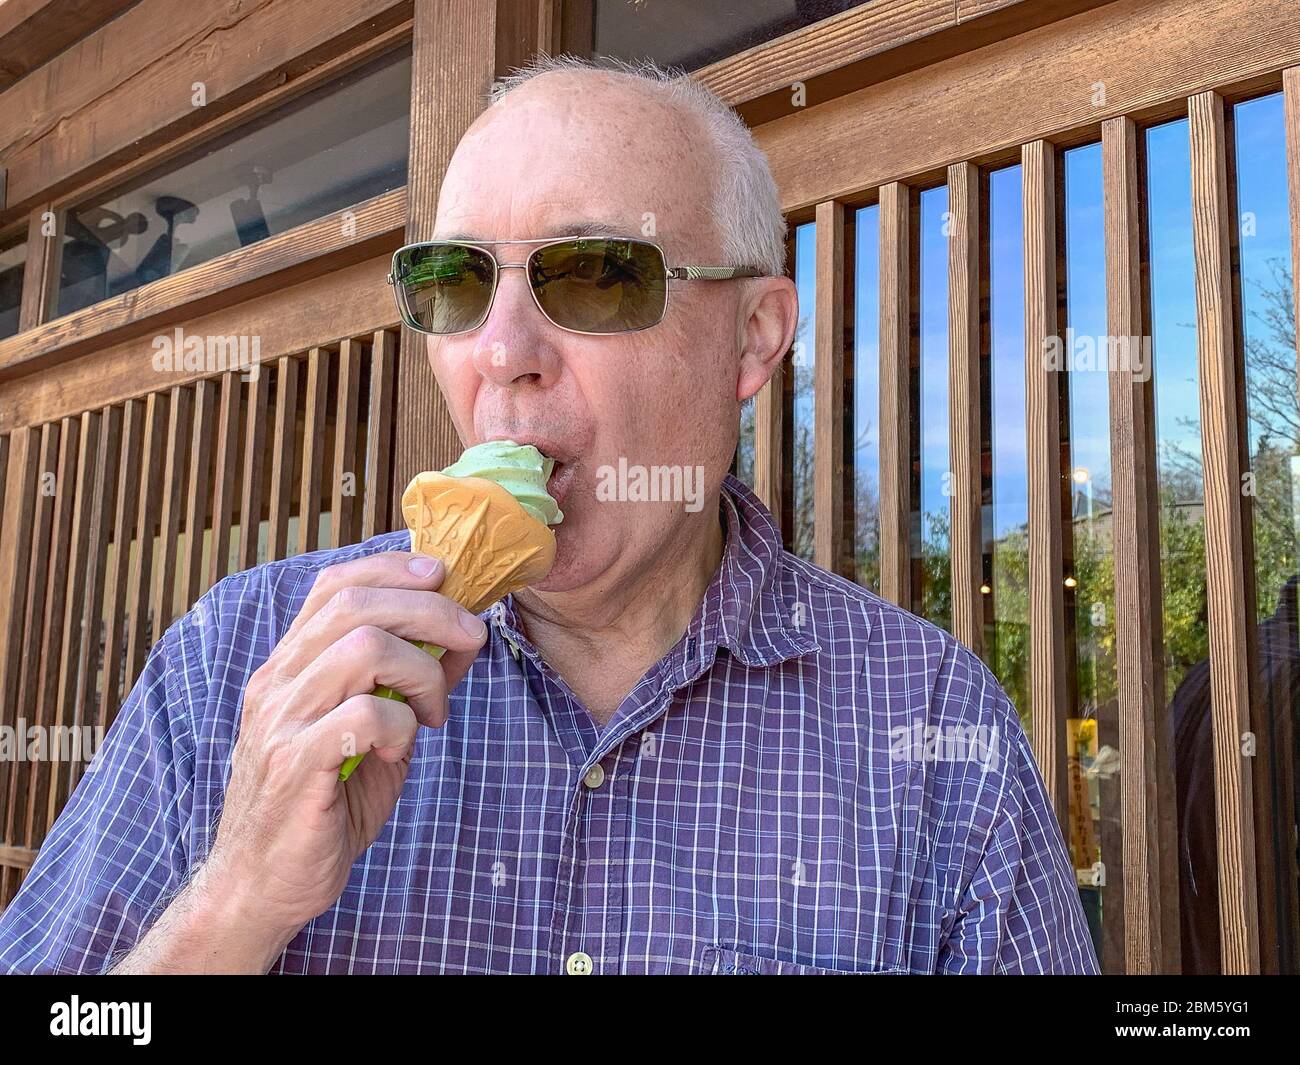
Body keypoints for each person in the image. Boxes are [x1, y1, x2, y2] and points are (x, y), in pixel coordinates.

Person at [0, 54, 1097, 975]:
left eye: (595, 275)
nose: (501, 353)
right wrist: (235, 900)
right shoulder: (241, 657)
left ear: (755, 338)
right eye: (456, 282)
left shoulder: (933, 721)